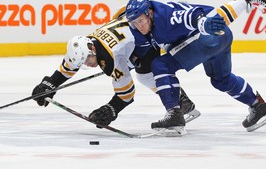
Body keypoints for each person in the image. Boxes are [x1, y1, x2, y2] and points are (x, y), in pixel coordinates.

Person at [125, 0, 266, 132]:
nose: (139, 26)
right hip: (222, 37)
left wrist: (201, 22)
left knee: (161, 65)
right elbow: (143, 50)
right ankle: (258, 105)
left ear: (149, 13)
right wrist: (126, 65)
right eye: (134, 22)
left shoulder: (164, 17)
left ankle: (174, 114)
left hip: (208, 38)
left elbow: (190, 16)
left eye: (141, 20)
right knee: (221, 80)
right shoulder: (147, 26)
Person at [31, 10, 200, 129]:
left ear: (93, 50)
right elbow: (69, 65)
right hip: (131, 33)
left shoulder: (111, 57)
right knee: (141, 72)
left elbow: (127, 94)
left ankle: (181, 102)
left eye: (87, 60)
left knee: (146, 77)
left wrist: (111, 109)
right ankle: (181, 100)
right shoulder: (86, 44)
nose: (87, 65)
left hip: (146, 41)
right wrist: (49, 84)